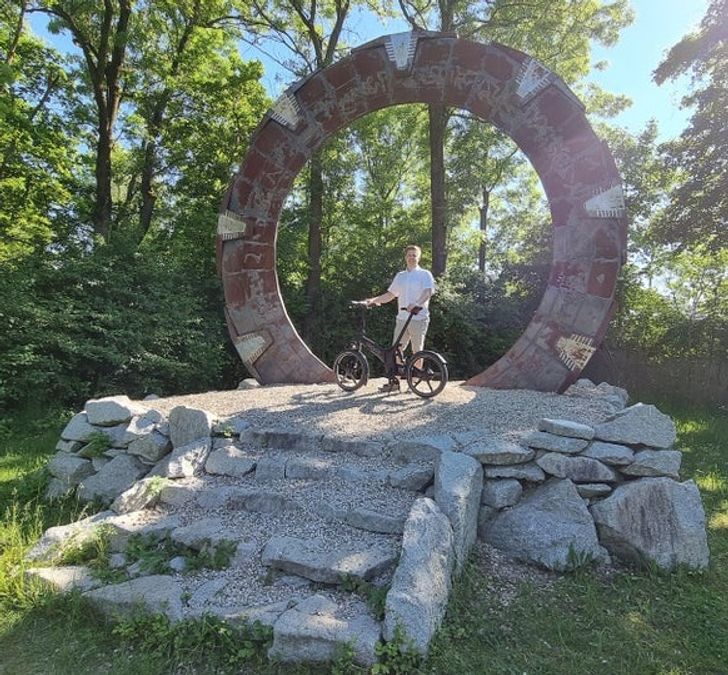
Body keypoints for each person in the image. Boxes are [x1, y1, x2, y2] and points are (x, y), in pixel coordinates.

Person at [363, 245, 436, 391]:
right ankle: (394, 383)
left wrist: (417, 304)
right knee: (396, 350)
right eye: (409, 255)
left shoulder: (425, 274)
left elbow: (428, 292)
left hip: (419, 318)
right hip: (402, 318)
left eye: (414, 255)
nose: (412, 257)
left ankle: (414, 382)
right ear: (405, 257)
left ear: (419, 257)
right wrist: (373, 300)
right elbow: (390, 295)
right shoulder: (400, 276)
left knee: (417, 350)